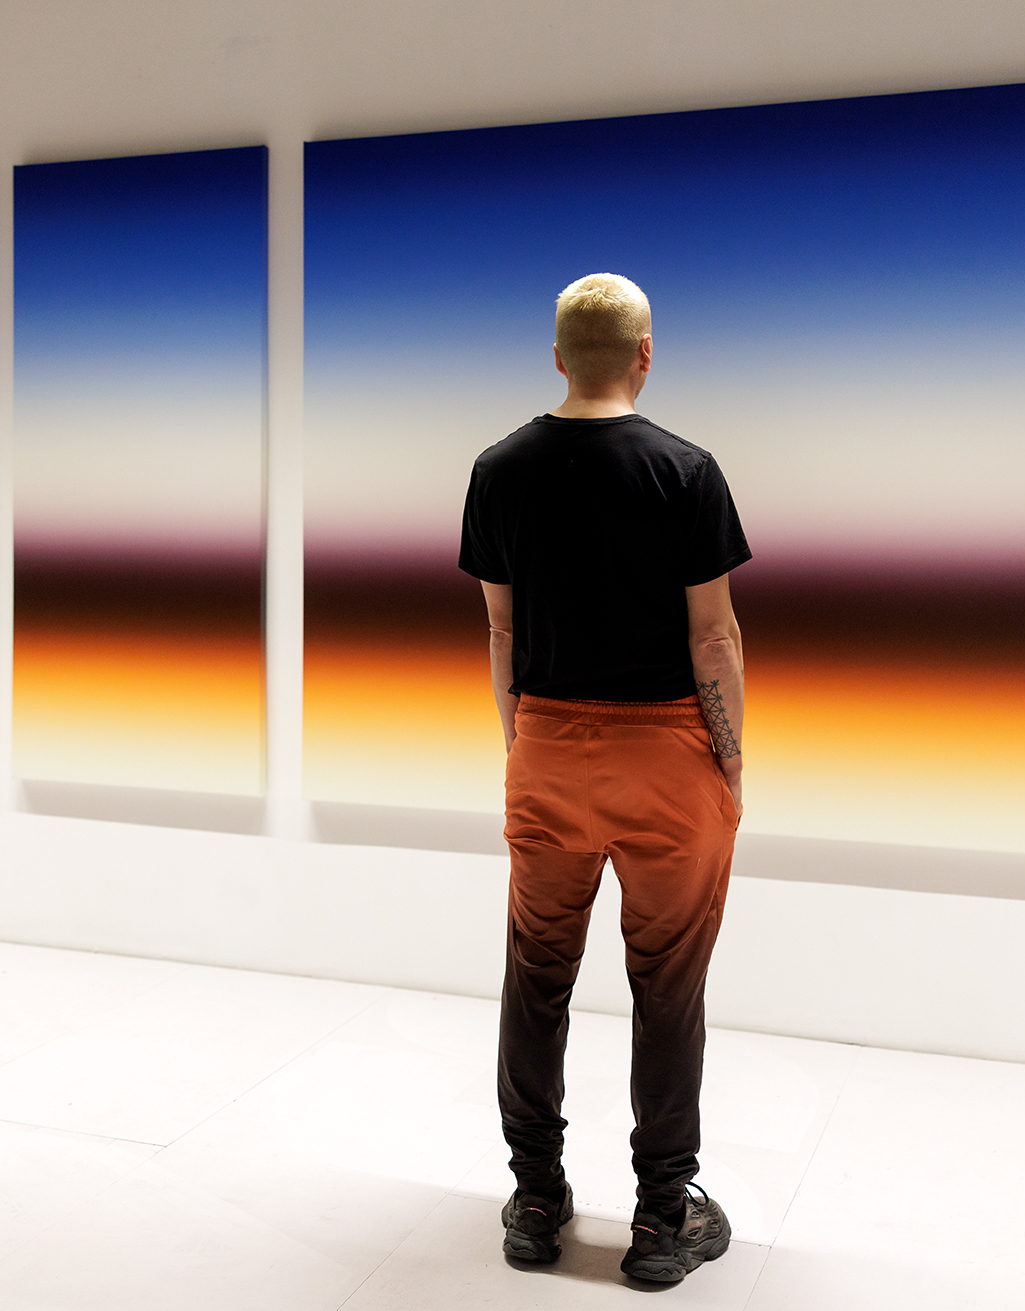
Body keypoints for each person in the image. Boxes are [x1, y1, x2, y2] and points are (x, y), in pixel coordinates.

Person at [458, 272, 750, 1284]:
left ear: (556, 357)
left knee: (537, 972)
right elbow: (713, 636)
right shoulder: (686, 470)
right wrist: (729, 759)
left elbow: (501, 631)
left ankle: (536, 1200)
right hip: (667, 754)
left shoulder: (498, 469)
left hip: (545, 742)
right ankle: (661, 1220)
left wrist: (524, 741)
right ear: (645, 352)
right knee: (667, 984)